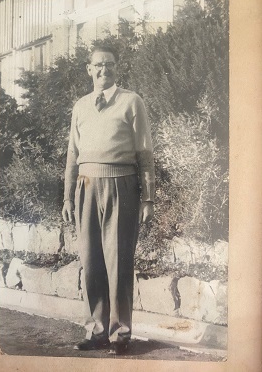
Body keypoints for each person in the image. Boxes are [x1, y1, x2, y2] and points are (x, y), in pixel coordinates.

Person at [62, 45, 155, 355]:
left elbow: (144, 153)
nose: (105, 70)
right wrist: (67, 196)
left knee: (119, 263)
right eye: (98, 65)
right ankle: (97, 331)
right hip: (86, 187)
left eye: (110, 64)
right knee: (91, 263)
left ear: (118, 68)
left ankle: (120, 334)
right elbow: (72, 154)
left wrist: (149, 199)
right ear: (89, 69)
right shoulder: (80, 106)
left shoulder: (132, 102)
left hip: (121, 186)